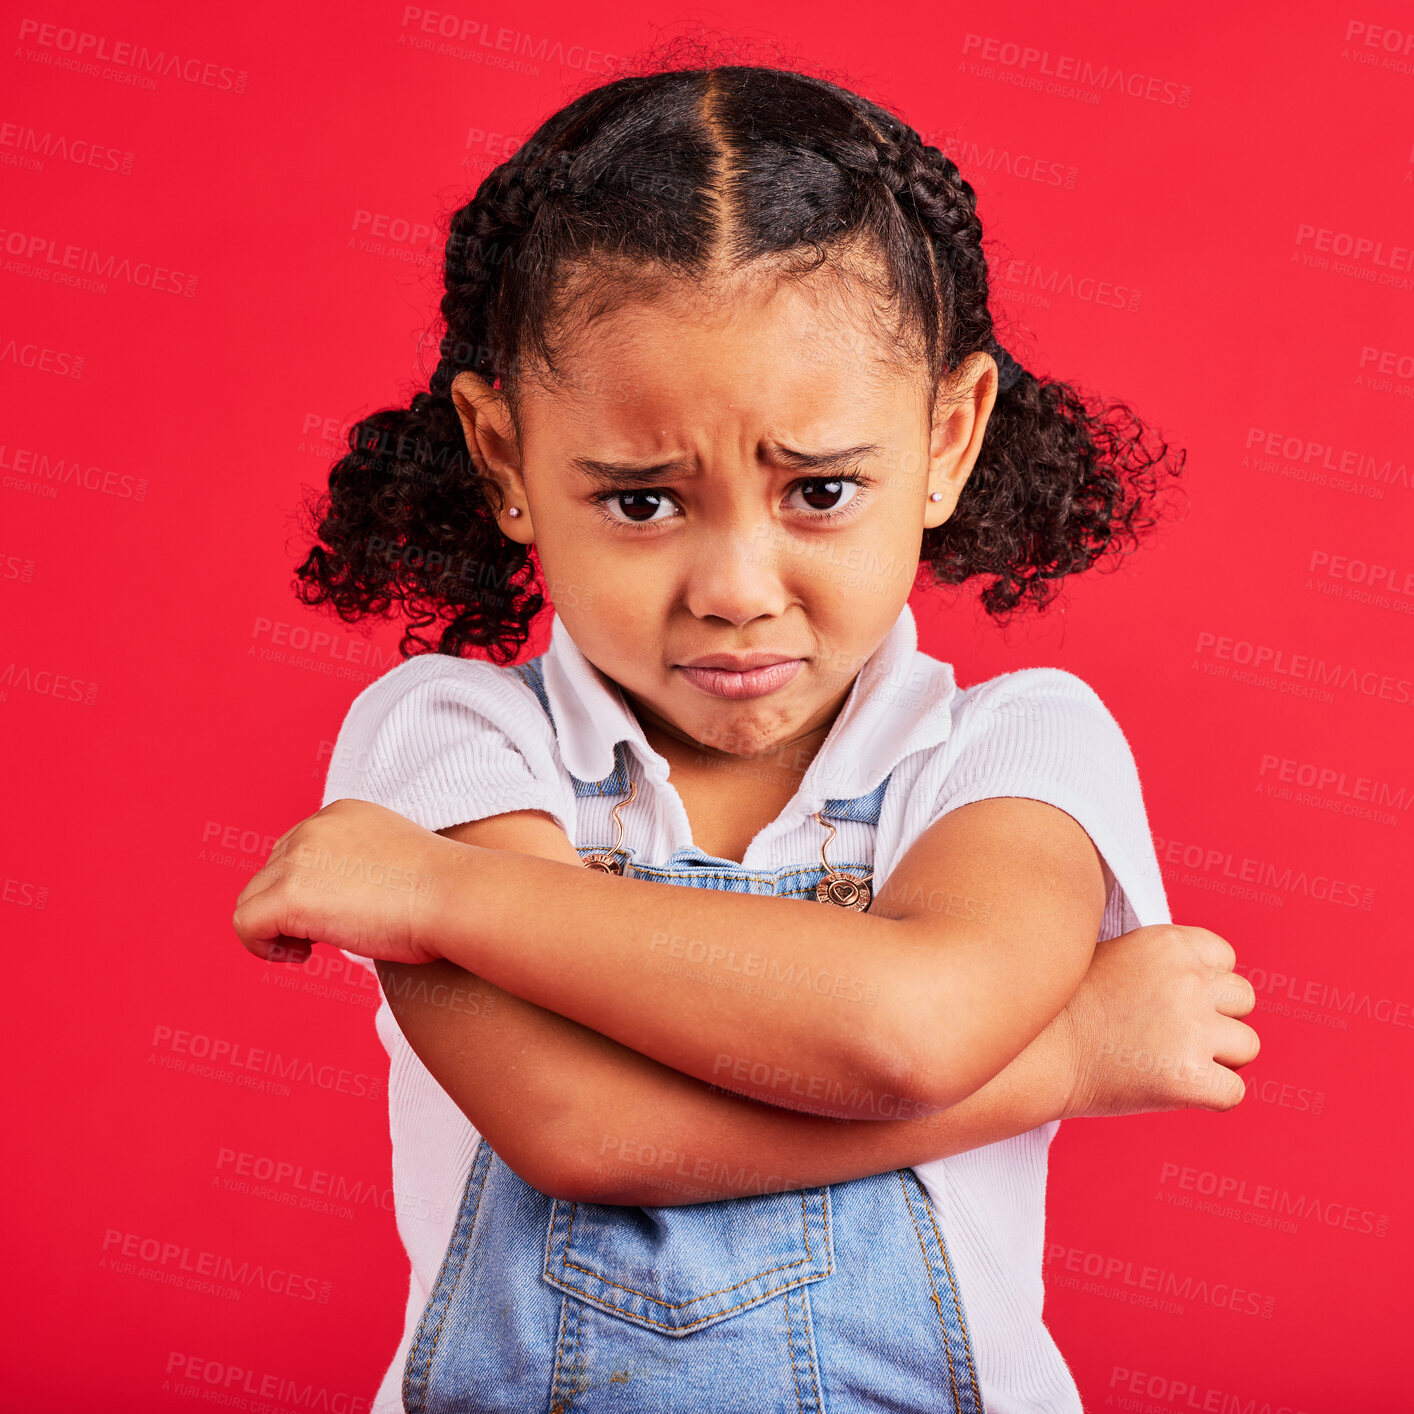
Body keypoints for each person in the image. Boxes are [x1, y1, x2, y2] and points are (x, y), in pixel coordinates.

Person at [234, 62, 1260, 1414]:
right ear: (505, 458)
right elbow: (579, 1126)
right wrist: (1063, 1051)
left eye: (819, 489)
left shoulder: (1010, 748)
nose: (732, 584)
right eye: (644, 502)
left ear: (946, 437)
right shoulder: (449, 738)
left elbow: (911, 1024)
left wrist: (443, 892)